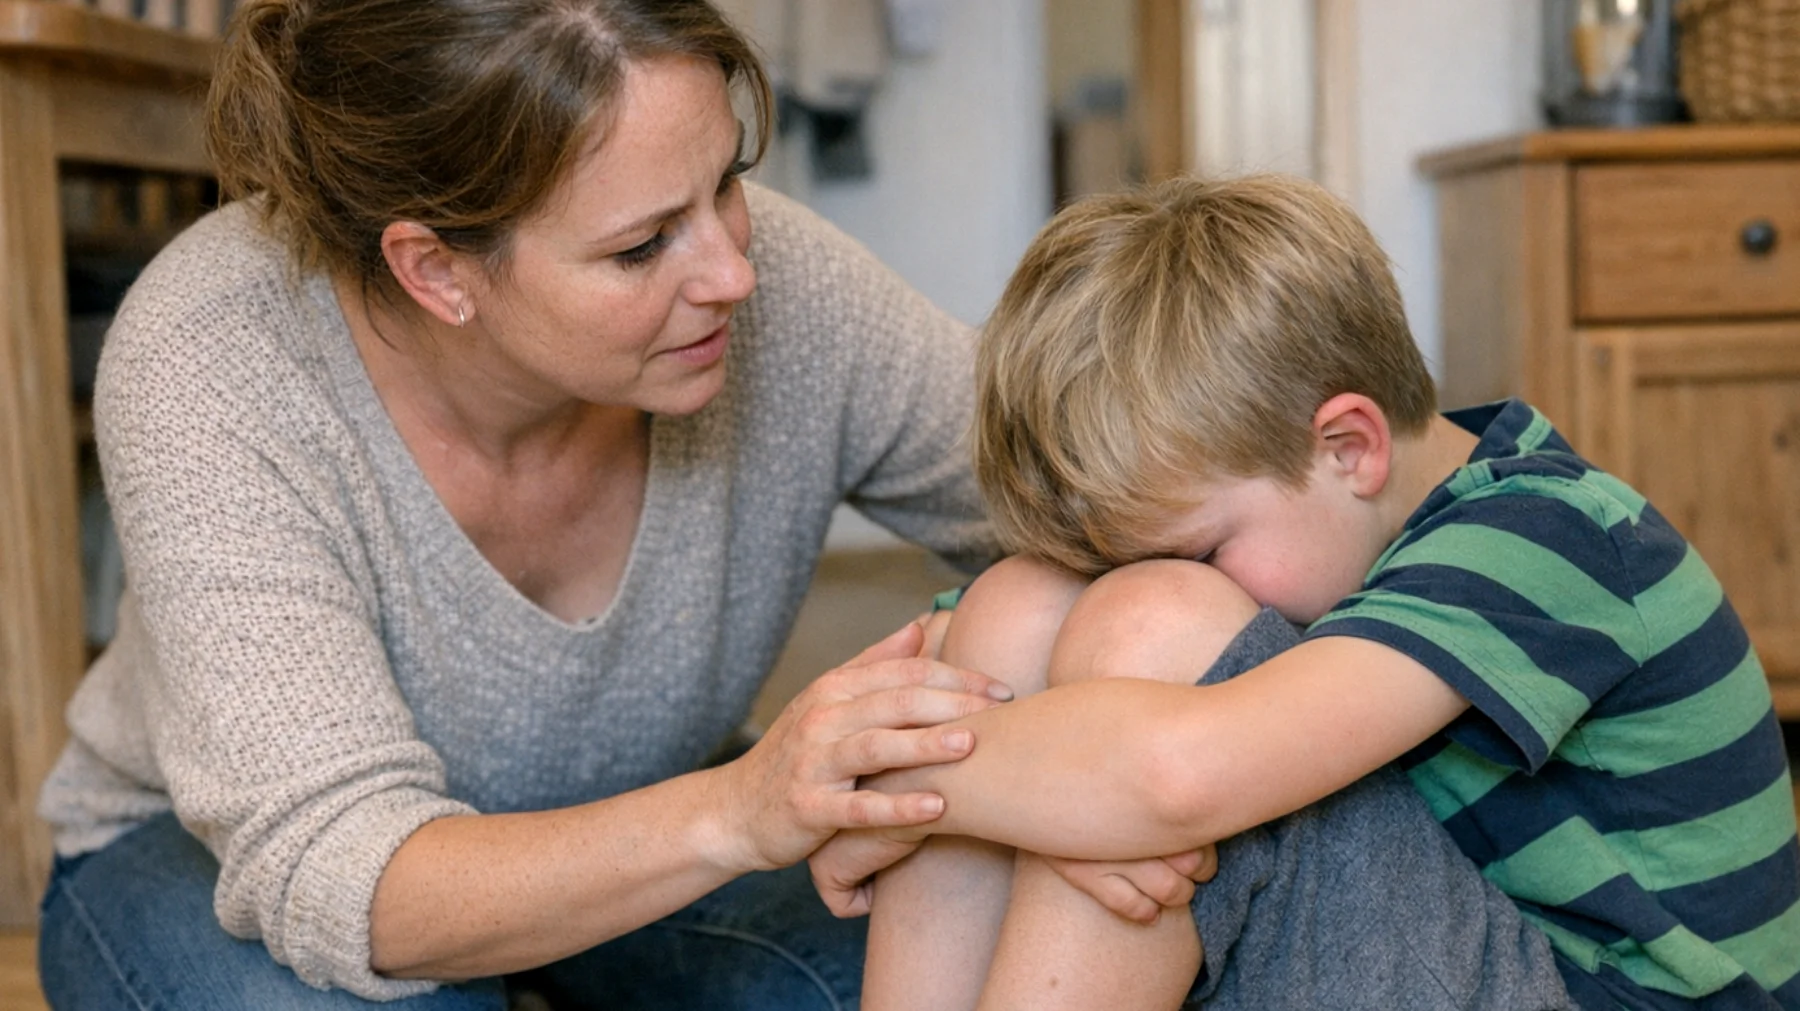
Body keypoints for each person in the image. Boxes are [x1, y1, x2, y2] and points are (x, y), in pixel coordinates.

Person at [34, 1, 1015, 1008]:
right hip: (219, 863)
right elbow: (341, 869)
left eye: (726, 182)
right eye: (641, 248)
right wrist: (735, 812)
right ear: (436, 269)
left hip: (647, 823)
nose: (732, 270)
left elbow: (1098, 479)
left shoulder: (791, 293)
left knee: (978, 956)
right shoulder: (213, 356)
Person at [808, 174, 1800, 1010]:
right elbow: (1002, 679)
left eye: (1196, 547)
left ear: (1347, 447)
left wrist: (896, 788)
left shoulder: (1551, 535)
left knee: (1152, 633)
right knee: (1017, 605)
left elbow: (1175, 779)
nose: (1162, 574)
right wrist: (1014, 778)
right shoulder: (1360, 514)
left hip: (1597, 994)